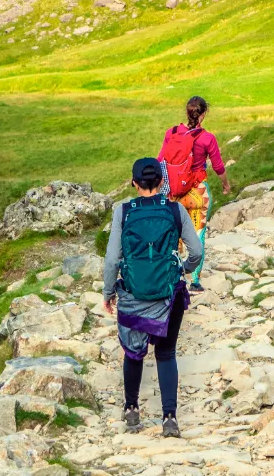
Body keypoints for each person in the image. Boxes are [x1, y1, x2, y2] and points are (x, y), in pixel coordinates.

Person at [103, 157, 203, 437]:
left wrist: (109, 292)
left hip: (134, 294)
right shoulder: (175, 210)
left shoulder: (123, 212)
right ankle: (169, 418)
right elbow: (196, 251)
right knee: (167, 353)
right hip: (169, 293)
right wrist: (184, 270)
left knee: (133, 354)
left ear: (134, 182)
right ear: (161, 182)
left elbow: (112, 260)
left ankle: (132, 409)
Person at [158, 96, 230, 292]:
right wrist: (226, 184)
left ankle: (172, 275)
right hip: (198, 192)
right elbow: (218, 166)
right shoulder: (208, 138)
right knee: (199, 234)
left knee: (173, 233)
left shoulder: (171, 133)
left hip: (174, 194)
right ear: (204, 114)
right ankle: (195, 280)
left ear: (186, 112)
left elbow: (160, 160)